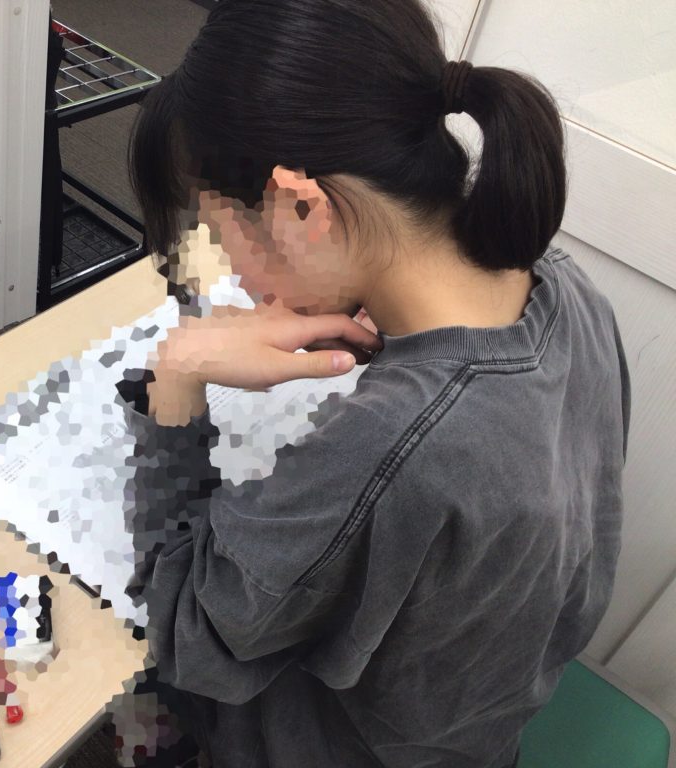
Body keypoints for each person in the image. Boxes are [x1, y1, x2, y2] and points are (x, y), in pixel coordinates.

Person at [111, 1, 632, 766]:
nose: (233, 279)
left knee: (124, 672)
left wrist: (178, 379)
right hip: (483, 724)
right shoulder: (565, 286)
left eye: (222, 238)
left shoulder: (391, 444)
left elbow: (187, 633)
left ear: (300, 206)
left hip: (347, 748)